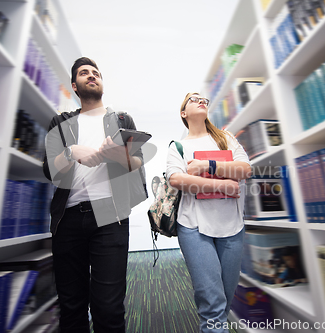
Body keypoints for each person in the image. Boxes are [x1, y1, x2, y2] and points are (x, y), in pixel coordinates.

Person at [43, 57, 147, 333]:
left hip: (110, 218)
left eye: (95, 72)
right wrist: (71, 152)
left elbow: (136, 164)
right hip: (67, 221)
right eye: (84, 73)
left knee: (109, 308)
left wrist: (120, 156)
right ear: (75, 86)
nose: (91, 75)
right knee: (72, 307)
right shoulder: (60, 122)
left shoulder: (122, 120)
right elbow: (49, 171)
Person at [166, 92, 252, 332]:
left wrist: (208, 166)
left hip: (232, 227)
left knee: (224, 300)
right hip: (194, 228)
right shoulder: (179, 146)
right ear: (183, 113)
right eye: (193, 99)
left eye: (203, 98)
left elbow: (245, 169)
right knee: (213, 305)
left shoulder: (225, 138)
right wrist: (222, 184)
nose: (201, 100)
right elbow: (175, 178)